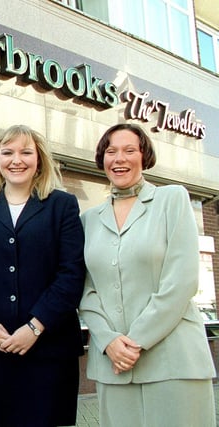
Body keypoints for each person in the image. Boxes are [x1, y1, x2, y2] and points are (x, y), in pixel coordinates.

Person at [79, 123, 216, 427]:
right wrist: (109, 342)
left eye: (130, 150)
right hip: (113, 365)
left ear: (144, 156)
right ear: (102, 158)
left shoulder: (172, 200)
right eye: (111, 151)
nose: (120, 159)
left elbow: (182, 281)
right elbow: (86, 290)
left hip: (174, 360)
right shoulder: (88, 219)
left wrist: (134, 342)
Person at [0, 124, 85, 427]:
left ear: (39, 160)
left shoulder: (62, 205)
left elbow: (71, 273)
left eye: (26, 152)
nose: (17, 159)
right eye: (8, 152)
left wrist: (35, 327)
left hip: (48, 349)